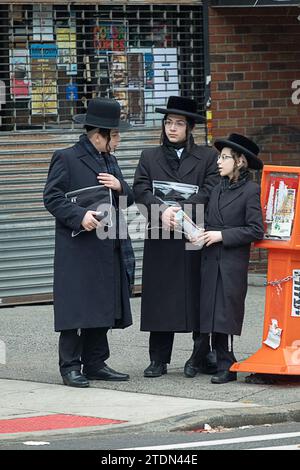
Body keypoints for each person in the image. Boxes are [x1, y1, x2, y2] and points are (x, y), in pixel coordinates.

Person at [43, 98, 135, 388]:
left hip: (108, 246)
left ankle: (95, 362)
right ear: (99, 135)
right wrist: (80, 215)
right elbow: (52, 197)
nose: (118, 139)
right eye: (115, 134)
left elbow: (126, 201)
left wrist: (122, 187)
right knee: (76, 308)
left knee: (102, 306)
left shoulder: (110, 159)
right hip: (78, 248)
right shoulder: (66, 157)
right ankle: (70, 366)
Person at [133, 95, 219, 378]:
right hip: (161, 234)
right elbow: (141, 190)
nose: (172, 128)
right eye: (168, 123)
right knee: (160, 296)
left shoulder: (207, 157)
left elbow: (211, 189)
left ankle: (200, 354)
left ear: (190, 127)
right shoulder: (149, 156)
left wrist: (183, 209)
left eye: (178, 123)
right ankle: (158, 359)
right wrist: (161, 211)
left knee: (197, 293)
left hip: (193, 232)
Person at [189, 133, 264, 384]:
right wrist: (198, 233)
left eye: (224, 158)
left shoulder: (251, 191)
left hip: (231, 262)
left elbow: (255, 230)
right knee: (210, 311)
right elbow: (210, 219)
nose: (218, 162)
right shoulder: (216, 188)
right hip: (210, 258)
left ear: (240, 161)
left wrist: (222, 235)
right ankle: (210, 358)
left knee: (225, 314)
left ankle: (227, 364)